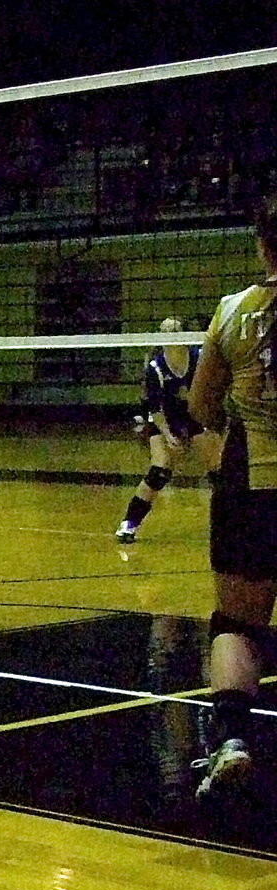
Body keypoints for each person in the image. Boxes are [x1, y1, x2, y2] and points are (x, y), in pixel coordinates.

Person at [187, 194, 277, 798]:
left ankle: (232, 739)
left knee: (237, 622)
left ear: (262, 244)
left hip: (249, 485)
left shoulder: (233, 311)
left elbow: (199, 406)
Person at [116, 317, 212, 542]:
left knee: (218, 470)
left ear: (183, 334)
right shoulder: (156, 368)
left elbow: (209, 390)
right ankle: (128, 524)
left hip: (193, 415)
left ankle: (233, 525)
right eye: (165, 330)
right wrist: (168, 434)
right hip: (163, 419)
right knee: (160, 470)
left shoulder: (198, 357)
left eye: (175, 329)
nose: (171, 332)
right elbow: (155, 409)